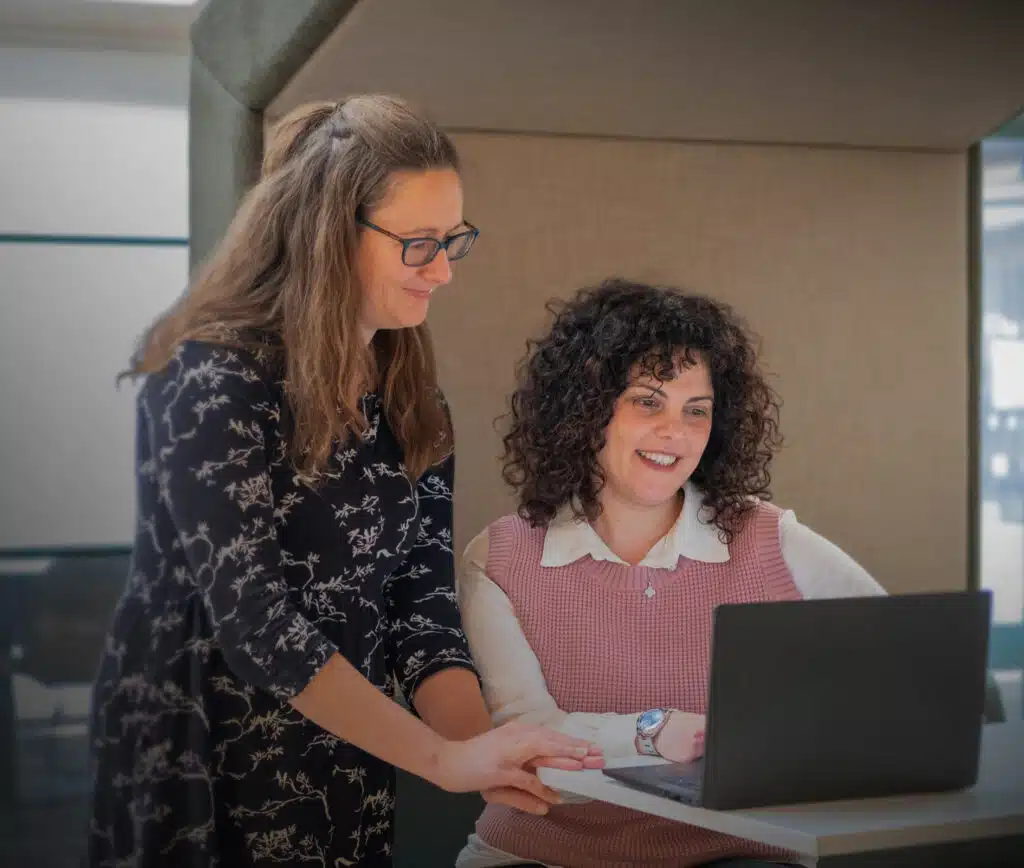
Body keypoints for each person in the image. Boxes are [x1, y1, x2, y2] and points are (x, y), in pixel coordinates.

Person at [85, 95, 601, 868]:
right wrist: (437, 760)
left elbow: (419, 609)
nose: (443, 273)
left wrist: (484, 751)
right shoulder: (212, 381)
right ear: (328, 235)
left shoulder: (412, 399)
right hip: (202, 750)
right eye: (419, 244)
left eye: (453, 240)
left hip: (343, 740)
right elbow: (257, 624)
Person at [455, 279, 886, 868]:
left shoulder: (768, 539)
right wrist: (652, 731)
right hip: (540, 854)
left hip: (733, 857)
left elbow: (891, 657)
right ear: (585, 409)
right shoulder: (501, 559)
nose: (675, 433)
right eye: (647, 402)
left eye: (696, 411)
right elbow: (528, 733)